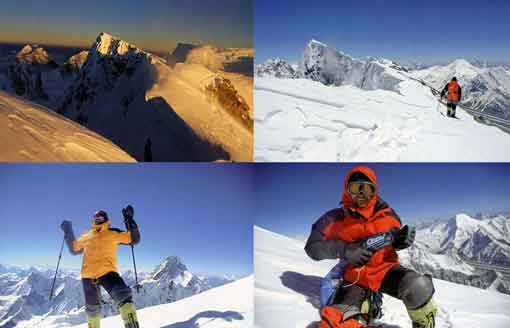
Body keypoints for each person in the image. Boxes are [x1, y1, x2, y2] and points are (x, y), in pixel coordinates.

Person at [305, 166, 437, 328]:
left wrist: (399, 242)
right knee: (337, 323)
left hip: (385, 271)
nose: (361, 194)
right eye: (355, 188)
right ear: (346, 190)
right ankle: (364, 307)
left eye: (366, 189)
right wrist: (344, 250)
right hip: (355, 278)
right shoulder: (333, 219)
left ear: (374, 190)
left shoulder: (387, 214)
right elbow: (312, 247)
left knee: (418, 286)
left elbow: (392, 239)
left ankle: (424, 324)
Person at [61, 206, 141, 328]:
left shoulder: (112, 233)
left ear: (106, 219)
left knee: (124, 298)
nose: (98, 218)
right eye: (95, 217)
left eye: (100, 216)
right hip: (88, 276)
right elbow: (74, 248)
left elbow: (134, 239)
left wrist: (129, 219)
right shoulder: (87, 236)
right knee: (92, 310)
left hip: (107, 272)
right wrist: (68, 231)